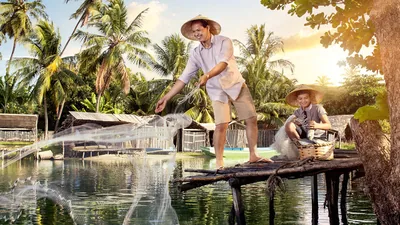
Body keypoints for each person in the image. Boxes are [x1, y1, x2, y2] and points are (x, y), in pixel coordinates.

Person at [155, 15, 272, 168]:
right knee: (221, 125)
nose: (197, 33)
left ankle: (253, 155)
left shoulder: (225, 42)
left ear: (208, 28)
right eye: (194, 31)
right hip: (216, 90)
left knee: (251, 118)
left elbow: (223, 64)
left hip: (235, 84)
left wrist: (207, 75)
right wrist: (166, 98)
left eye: (199, 30)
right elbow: (183, 78)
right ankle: (219, 162)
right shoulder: (196, 53)